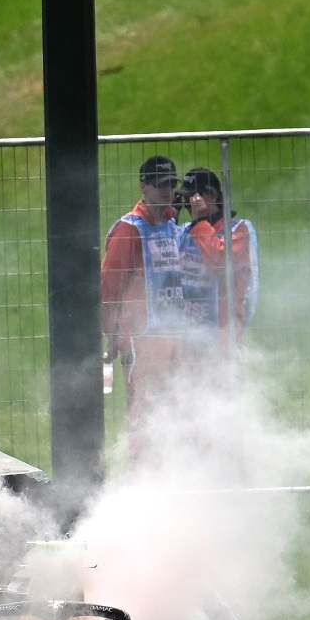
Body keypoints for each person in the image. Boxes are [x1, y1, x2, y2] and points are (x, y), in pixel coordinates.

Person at [100, 155, 186, 457]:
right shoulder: (129, 230)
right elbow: (109, 290)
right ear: (143, 187)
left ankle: (173, 478)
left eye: (171, 184)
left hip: (173, 338)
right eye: (160, 185)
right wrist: (112, 336)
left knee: (174, 415)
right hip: (141, 341)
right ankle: (144, 481)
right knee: (146, 419)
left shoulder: (172, 225)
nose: (167, 191)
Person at [175, 167, 260, 359]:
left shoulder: (239, 230)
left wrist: (200, 222)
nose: (189, 204)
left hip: (224, 338)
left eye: (193, 197)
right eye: (185, 198)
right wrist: (171, 215)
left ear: (212, 195)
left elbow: (220, 263)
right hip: (189, 339)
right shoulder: (186, 231)